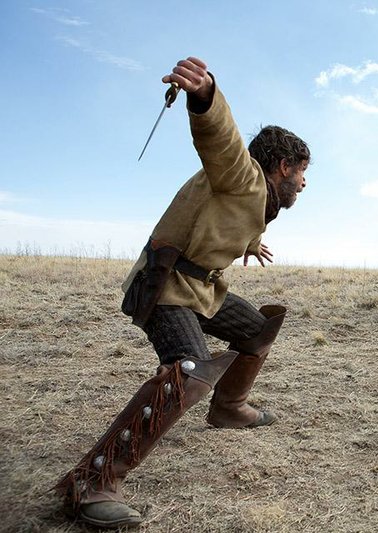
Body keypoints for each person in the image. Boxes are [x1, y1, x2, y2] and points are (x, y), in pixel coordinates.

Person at [55, 56, 310, 528]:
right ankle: (91, 483)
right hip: (167, 284)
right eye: (301, 172)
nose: (304, 182)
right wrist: (206, 94)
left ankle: (229, 408)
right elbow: (222, 141)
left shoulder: (253, 196)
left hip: (202, 289)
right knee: (190, 371)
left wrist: (251, 241)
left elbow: (222, 217)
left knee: (258, 329)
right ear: (281, 165)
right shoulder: (241, 173)